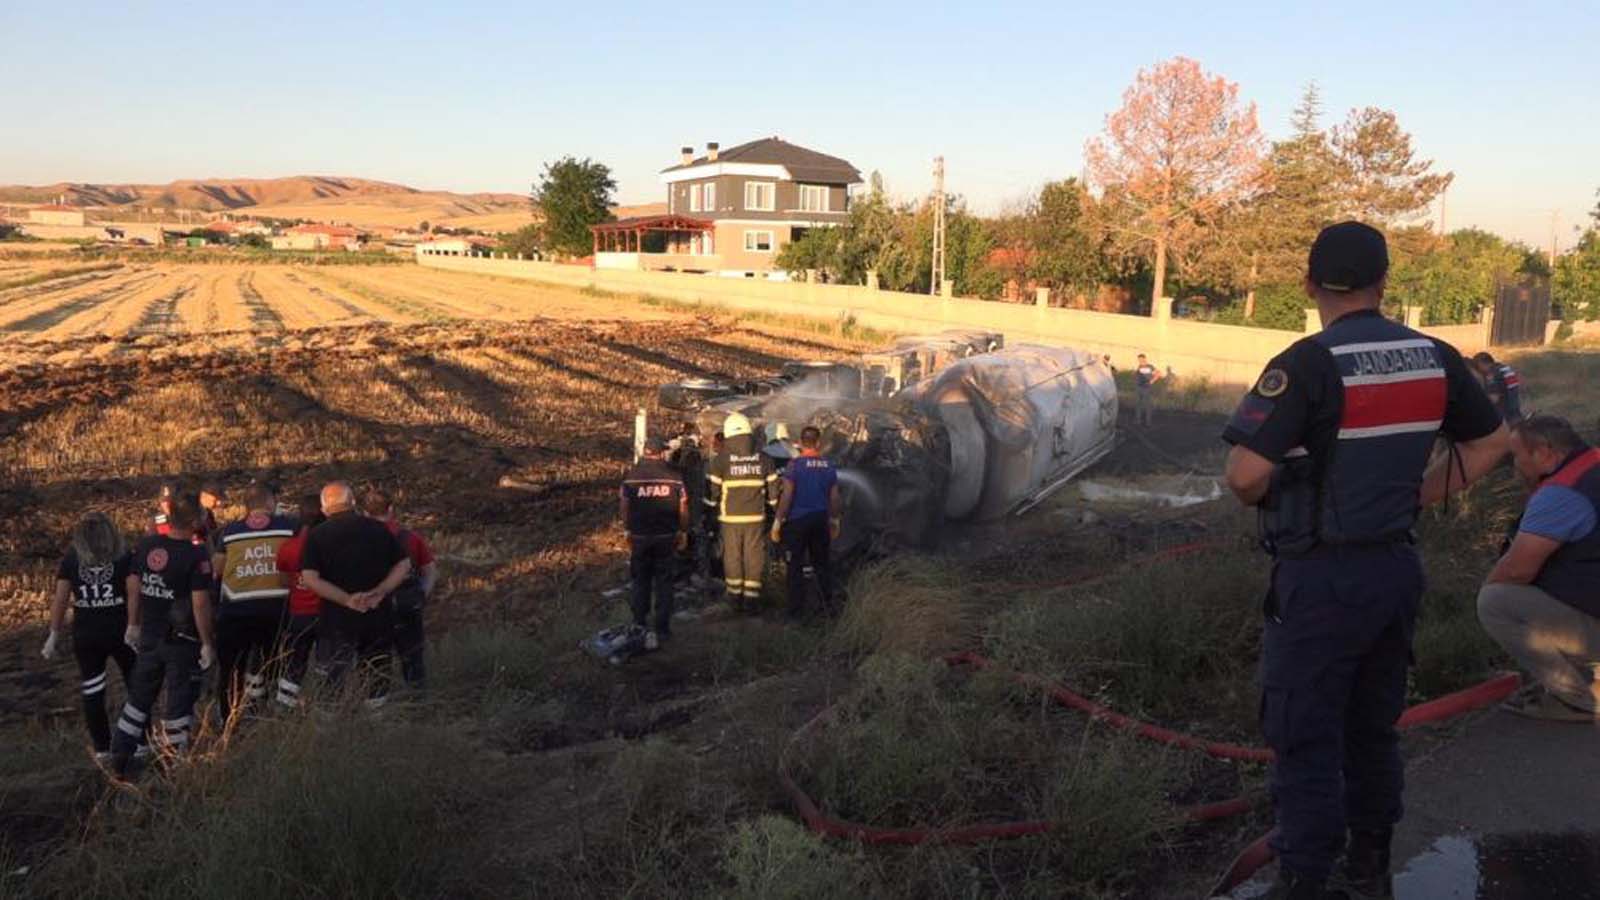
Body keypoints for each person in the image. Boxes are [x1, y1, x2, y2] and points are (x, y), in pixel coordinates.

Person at [1221, 222, 1509, 900]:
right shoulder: (1435, 357)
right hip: (1393, 571)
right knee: (1371, 729)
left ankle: (1305, 877)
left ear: (1309, 285)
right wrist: (1415, 496)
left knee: (1305, 732)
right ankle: (1370, 869)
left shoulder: (1309, 363)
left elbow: (1241, 476)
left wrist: (1284, 489)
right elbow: (1494, 443)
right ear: (1384, 284)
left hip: (1322, 579)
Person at [1477, 415, 1600, 722]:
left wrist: (1489, 584)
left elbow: (1516, 571)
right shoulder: (1592, 464)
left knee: (1495, 602)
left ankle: (1577, 700)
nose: (1514, 466)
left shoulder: (1561, 494)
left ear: (1544, 452)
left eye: (1517, 456)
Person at [110, 496, 216, 774]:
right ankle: (172, 765)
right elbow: (200, 603)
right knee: (178, 701)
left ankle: (119, 756)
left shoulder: (147, 545)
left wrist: (133, 624)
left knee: (138, 699)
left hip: (149, 636)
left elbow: (134, 586)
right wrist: (207, 642)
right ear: (195, 522)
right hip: (182, 641)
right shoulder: (196, 555)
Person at [298, 482, 411, 707]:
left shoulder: (317, 536)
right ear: (352, 503)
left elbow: (310, 579)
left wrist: (346, 599)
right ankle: (376, 719)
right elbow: (404, 564)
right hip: (377, 611)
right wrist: (381, 591)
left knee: (333, 675)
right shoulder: (378, 529)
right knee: (377, 670)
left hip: (336, 617)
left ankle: (329, 724)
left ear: (324, 509)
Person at [43, 512, 136, 761]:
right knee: (135, 686)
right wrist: (135, 624)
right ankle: (141, 741)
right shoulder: (123, 555)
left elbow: (61, 599)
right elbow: (133, 593)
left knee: (93, 690)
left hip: (86, 634)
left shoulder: (72, 558)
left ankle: (102, 748)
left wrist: (53, 633)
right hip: (121, 630)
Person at [213, 481, 295, 723]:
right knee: (275, 663)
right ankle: (269, 710)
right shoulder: (289, 527)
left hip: (236, 611)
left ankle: (228, 719)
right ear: (271, 502)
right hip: (277, 610)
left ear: (246, 505)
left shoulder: (228, 532)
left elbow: (217, 568)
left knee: (230, 670)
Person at [362, 488, 437, 689]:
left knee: (374, 662)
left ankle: (377, 705)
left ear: (365, 513)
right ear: (391, 509)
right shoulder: (410, 538)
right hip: (407, 605)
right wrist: (422, 595)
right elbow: (429, 570)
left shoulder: (358, 540)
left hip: (372, 608)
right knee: (413, 659)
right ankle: (417, 703)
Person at [620, 436, 688, 650]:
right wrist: (683, 530)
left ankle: (639, 624)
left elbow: (624, 506)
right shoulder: (674, 476)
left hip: (639, 538)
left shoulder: (631, 476)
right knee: (664, 583)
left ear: (645, 451)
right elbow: (683, 506)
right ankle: (663, 629)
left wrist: (627, 529)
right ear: (661, 452)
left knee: (640, 581)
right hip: (666, 537)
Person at [706, 412, 778, 611]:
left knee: (732, 555)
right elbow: (773, 494)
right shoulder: (765, 459)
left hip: (730, 519)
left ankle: (734, 596)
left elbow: (712, 493)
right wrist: (776, 510)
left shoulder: (720, 461)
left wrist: (709, 510)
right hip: (756, 518)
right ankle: (752, 598)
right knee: (754, 555)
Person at [772, 426, 842, 619]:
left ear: (801, 443)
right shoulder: (828, 466)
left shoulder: (794, 466)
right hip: (820, 521)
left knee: (795, 567)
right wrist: (834, 520)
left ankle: (795, 613)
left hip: (797, 522)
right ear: (818, 443)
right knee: (822, 564)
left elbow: (786, 496)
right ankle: (826, 608)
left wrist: (778, 521)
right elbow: (835, 498)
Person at [273, 494, 325, 709]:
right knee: (327, 662)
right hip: (326, 612)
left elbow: (283, 580)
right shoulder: (329, 545)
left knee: (295, 662)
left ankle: (284, 705)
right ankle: (326, 705)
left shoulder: (288, 547)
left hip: (299, 612)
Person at [1472, 351, 1524, 424]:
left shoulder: (1491, 374)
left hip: (1503, 415)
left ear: (1482, 364)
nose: (1479, 370)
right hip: (1515, 412)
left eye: (1477, 367)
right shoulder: (1505, 368)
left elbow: (1494, 398)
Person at [1134, 353, 1163, 427]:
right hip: (1139, 388)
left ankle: (1148, 423)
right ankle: (1138, 421)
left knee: (1147, 405)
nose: (1139, 361)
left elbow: (1159, 373)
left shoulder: (1150, 367)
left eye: (1141, 359)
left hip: (1146, 388)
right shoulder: (1139, 367)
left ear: (1144, 359)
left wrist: (1152, 381)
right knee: (1138, 405)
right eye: (1139, 360)